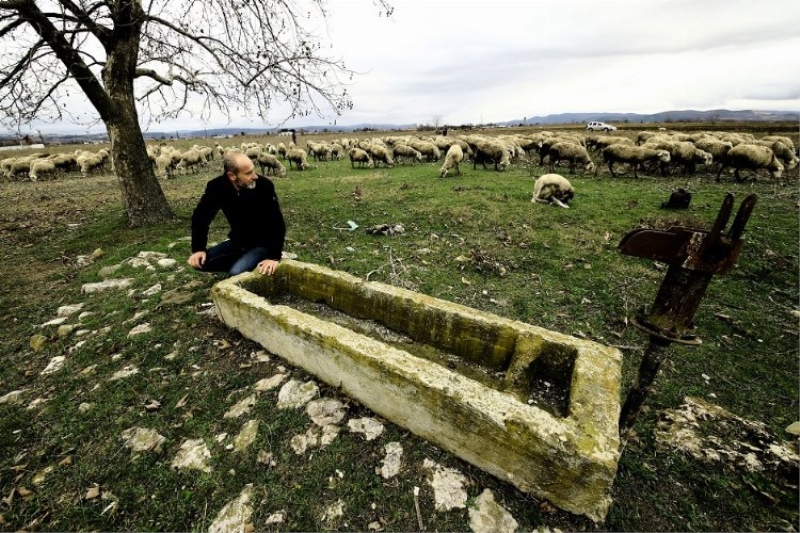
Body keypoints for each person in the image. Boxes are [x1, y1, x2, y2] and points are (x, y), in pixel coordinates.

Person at [188, 151, 286, 276]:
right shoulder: (217, 187)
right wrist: (198, 248)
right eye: (248, 173)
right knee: (200, 263)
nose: (255, 176)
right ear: (232, 176)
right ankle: (245, 262)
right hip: (238, 241)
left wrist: (274, 257)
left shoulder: (264, 186)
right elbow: (200, 217)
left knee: (235, 273)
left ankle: (250, 263)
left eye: (253, 170)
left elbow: (277, 223)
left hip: (263, 244)